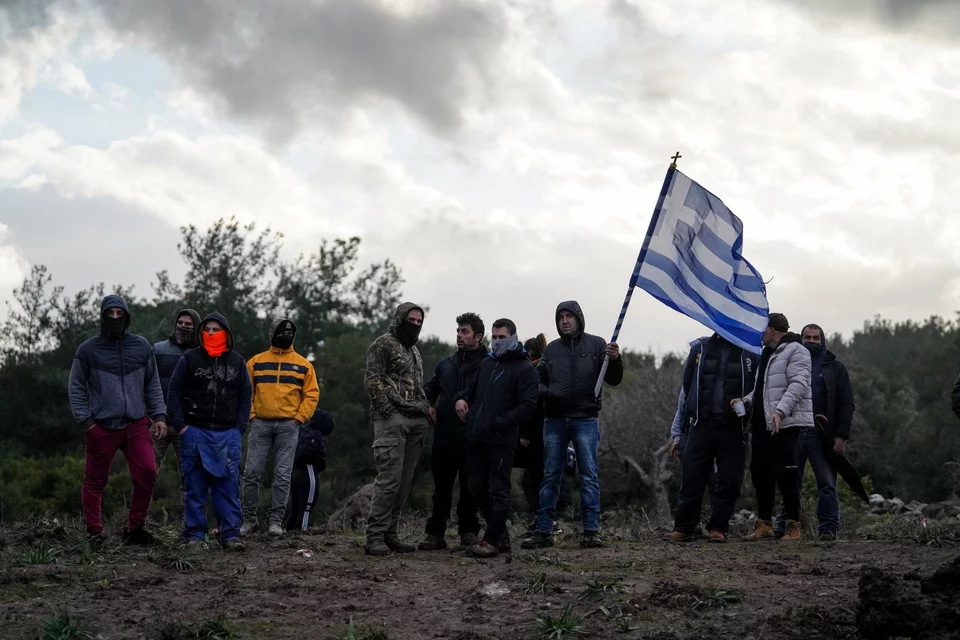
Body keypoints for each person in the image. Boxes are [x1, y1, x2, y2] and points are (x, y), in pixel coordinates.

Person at [521, 301, 624, 550]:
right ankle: (543, 531)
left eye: (569, 316)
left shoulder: (598, 345)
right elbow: (536, 381)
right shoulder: (552, 350)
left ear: (579, 318)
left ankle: (591, 531)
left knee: (589, 475)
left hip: (586, 418)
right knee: (550, 475)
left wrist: (615, 359)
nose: (565, 321)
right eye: (561, 317)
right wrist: (549, 393)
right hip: (554, 418)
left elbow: (614, 379)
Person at [68, 294, 167, 545]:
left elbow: (153, 384)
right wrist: (87, 422)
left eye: (119, 313)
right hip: (101, 426)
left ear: (126, 316)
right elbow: (76, 386)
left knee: (148, 473)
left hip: (136, 423)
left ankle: (135, 529)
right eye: (110, 314)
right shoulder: (88, 350)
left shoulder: (141, 346)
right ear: (103, 317)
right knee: (95, 481)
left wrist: (159, 415)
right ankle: (95, 533)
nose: (115, 318)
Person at [166, 312, 251, 550]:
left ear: (226, 333)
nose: (211, 333)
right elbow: (174, 392)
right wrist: (182, 427)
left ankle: (230, 535)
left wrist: (239, 429)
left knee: (228, 488)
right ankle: (195, 536)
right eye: (207, 329)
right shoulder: (190, 359)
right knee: (195, 487)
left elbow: (246, 397)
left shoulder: (237, 362)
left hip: (227, 433)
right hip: (194, 431)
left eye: (216, 329)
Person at [663, 333, 758, 543]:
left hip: (734, 427)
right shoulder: (700, 348)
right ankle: (684, 527)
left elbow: (757, 388)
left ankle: (718, 528)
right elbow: (687, 389)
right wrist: (678, 432)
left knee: (730, 481)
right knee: (692, 477)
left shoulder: (750, 351)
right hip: (701, 424)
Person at [458, 318, 539, 557]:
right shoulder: (487, 363)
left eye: (502, 337)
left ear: (513, 338)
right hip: (476, 435)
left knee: (499, 489)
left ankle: (491, 541)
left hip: (501, 439)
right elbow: (471, 390)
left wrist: (498, 423)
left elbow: (528, 407)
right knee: (475, 486)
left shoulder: (524, 368)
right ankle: (500, 535)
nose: (497, 341)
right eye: (494, 337)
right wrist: (461, 399)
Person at [734, 312, 813, 542]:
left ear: (771, 330)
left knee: (787, 475)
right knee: (761, 473)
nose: (759, 333)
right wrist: (746, 400)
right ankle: (764, 524)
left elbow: (798, 384)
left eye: (762, 328)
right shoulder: (768, 353)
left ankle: (793, 527)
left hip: (784, 424)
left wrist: (780, 411)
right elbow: (763, 389)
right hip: (762, 425)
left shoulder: (797, 351)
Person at [363, 302, 432, 557]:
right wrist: (389, 412)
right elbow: (372, 381)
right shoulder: (383, 344)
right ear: (400, 318)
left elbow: (417, 386)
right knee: (389, 479)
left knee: (404, 482)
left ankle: (390, 534)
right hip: (391, 419)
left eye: (419, 321)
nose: (415, 324)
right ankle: (374, 536)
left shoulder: (414, 350)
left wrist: (425, 409)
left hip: (415, 420)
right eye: (411, 319)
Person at [774, 324, 855, 540]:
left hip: (822, 433)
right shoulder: (791, 363)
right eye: (807, 338)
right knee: (791, 482)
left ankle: (828, 528)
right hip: (795, 430)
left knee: (827, 483)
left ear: (822, 340)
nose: (811, 341)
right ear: (801, 340)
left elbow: (846, 403)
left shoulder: (835, 367)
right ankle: (783, 526)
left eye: (815, 338)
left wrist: (841, 435)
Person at [241, 318, 320, 537]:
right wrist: (252, 415)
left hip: (288, 425)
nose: (286, 335)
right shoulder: (256, 362)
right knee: (251, 473)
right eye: (281, 331)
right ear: (272, 334)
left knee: (283, 475)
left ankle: (275, 522)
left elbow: (311, 394)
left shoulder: (304, 365)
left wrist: (299, 418)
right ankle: (249, 520)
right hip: (260, 424)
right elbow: (246, 391)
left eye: (290, 332)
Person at [418, 313, 485, 551]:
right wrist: (426, 405)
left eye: (464, 331)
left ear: (478, 336)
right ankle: (435, 534)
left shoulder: (488, 364)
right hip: (444, 434)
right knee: (441, 488)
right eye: (458, 330)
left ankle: (468, 532)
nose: (459, 335)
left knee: (470, 488)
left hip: (474, 436)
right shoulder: (445, 364)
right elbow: (430, 389)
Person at [515, 334, 573, 536]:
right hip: (546, 431)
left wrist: (524, 432)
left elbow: (531, 406)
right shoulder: (547, 371)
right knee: (538, 478)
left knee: (535, 479)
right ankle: (542, 520)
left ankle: (545, 521)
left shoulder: (536, 373)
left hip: (538, 433)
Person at [152, 308, 200, 497]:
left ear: (196, 327)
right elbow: (148, 383)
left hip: (187, 426)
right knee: (146, 473)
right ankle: (138, 514)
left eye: (188, 324)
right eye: (180, 322)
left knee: (190, 478)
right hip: (158, 422)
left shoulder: (200, 354)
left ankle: (189, 515)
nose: (183, 326)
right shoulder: (158, 350)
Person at [284, 409, 335, 532]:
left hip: (295, 471)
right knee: (306, 508)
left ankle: (289, 533)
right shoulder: (316, 436)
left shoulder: (300, 430)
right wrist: (320, 463)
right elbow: (312, 454)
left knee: (294, 508)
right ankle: (302, 533)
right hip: (309, 471)